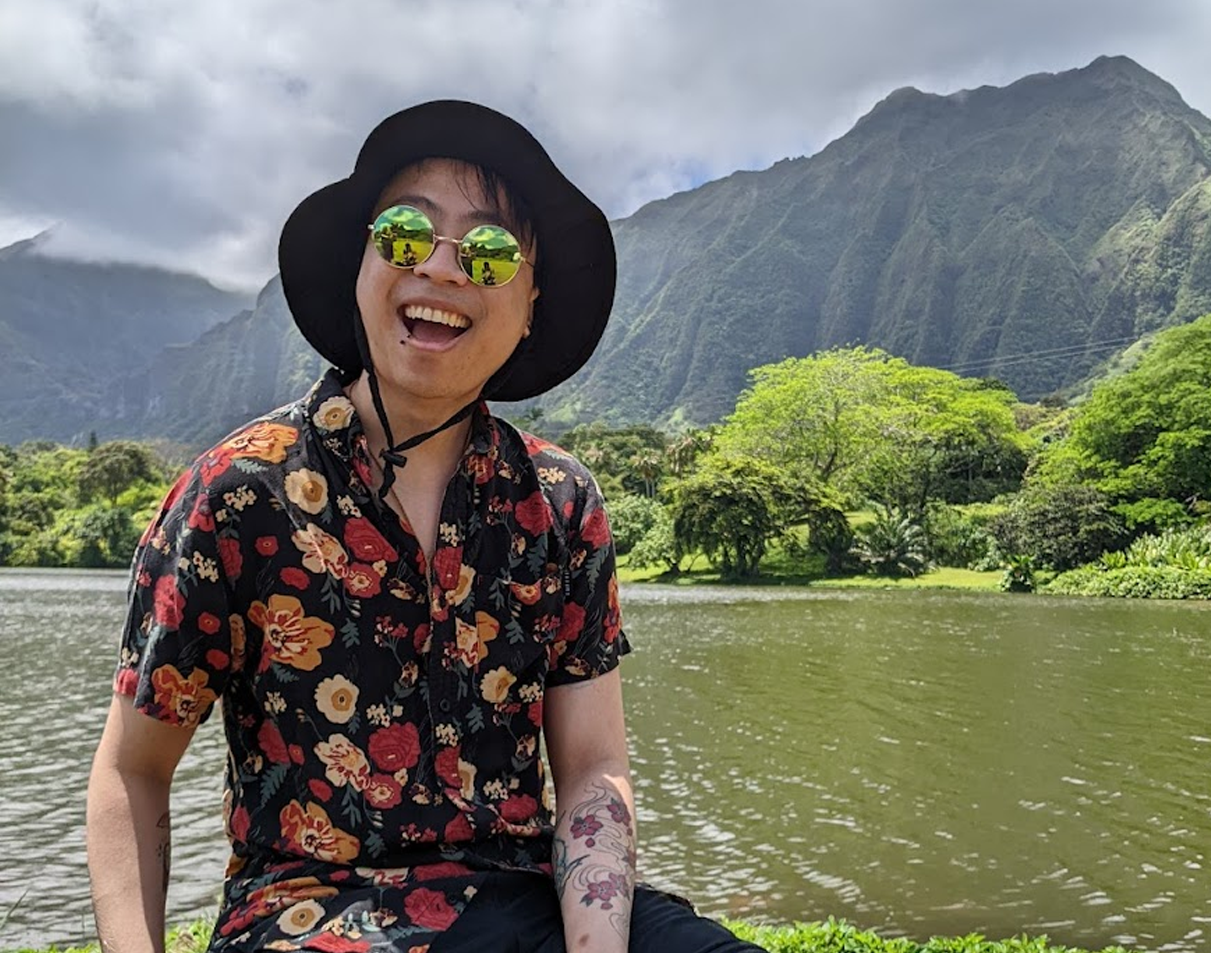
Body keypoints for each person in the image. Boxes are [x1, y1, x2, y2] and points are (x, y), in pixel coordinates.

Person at [85, 100, 763, 953]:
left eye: (488, 250)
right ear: (361, 265)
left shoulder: (557, 502)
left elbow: (592, 770)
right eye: (407, 234)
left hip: (521, 898)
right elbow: (131, 770)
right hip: (306, 912)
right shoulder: (237, 491)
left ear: (529, 304)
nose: (443, 268)